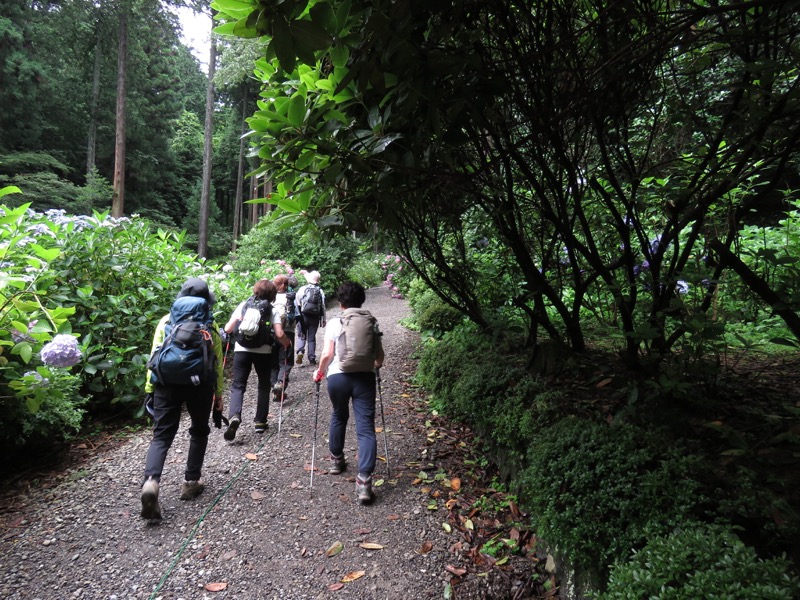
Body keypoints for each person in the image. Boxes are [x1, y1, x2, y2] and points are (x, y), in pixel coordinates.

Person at [141, 278, 224, 520]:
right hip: (200, 385)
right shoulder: (210, 324)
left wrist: (150, 389)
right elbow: (217, 363)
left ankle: (151, 482)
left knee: (162, 435)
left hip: (166, 384)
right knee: (199, 430)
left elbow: (155, 355)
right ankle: (190, 481)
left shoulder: (166, 321)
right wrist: (218, 394)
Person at [312, 281, 384, 505]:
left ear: (341, 302)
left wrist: (320, 371)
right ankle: (364, 482)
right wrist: (372, 366)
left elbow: (327, 354)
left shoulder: (335, 323)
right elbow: (379, 358)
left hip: (337, 378)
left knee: (338, 416)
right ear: (361, 300)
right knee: (365, 428)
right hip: (364, 378)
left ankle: (336, 461)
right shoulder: (371, 322)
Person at [223, 279, 291, 438]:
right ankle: (260, 422)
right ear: (272, 294)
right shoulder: (271, 310)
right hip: (263, 351)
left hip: (241, 350)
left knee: (238, 385)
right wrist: (288, 343)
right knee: (263, 385)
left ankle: (234, 415)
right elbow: (280, 334)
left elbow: (227, 328)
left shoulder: (243, 305)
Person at [271, 274, 295, 402]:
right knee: (286, 361)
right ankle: (280, 384)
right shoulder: (291, 297)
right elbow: (297, 314)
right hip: (287, 332)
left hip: (272, 332)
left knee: (273, 362)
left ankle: (274, 386)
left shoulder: (270, 297)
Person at [295, 270, 326, 366]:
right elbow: (323, 306)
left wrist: (298, 315)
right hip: (315, 317)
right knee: (311, 338)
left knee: (301, 335)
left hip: (303, 315)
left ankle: (300, 351)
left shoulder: (303, 289)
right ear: (318, 280)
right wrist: (323, 319)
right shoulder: (320, 291)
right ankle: (312, 358)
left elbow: (297, 301)